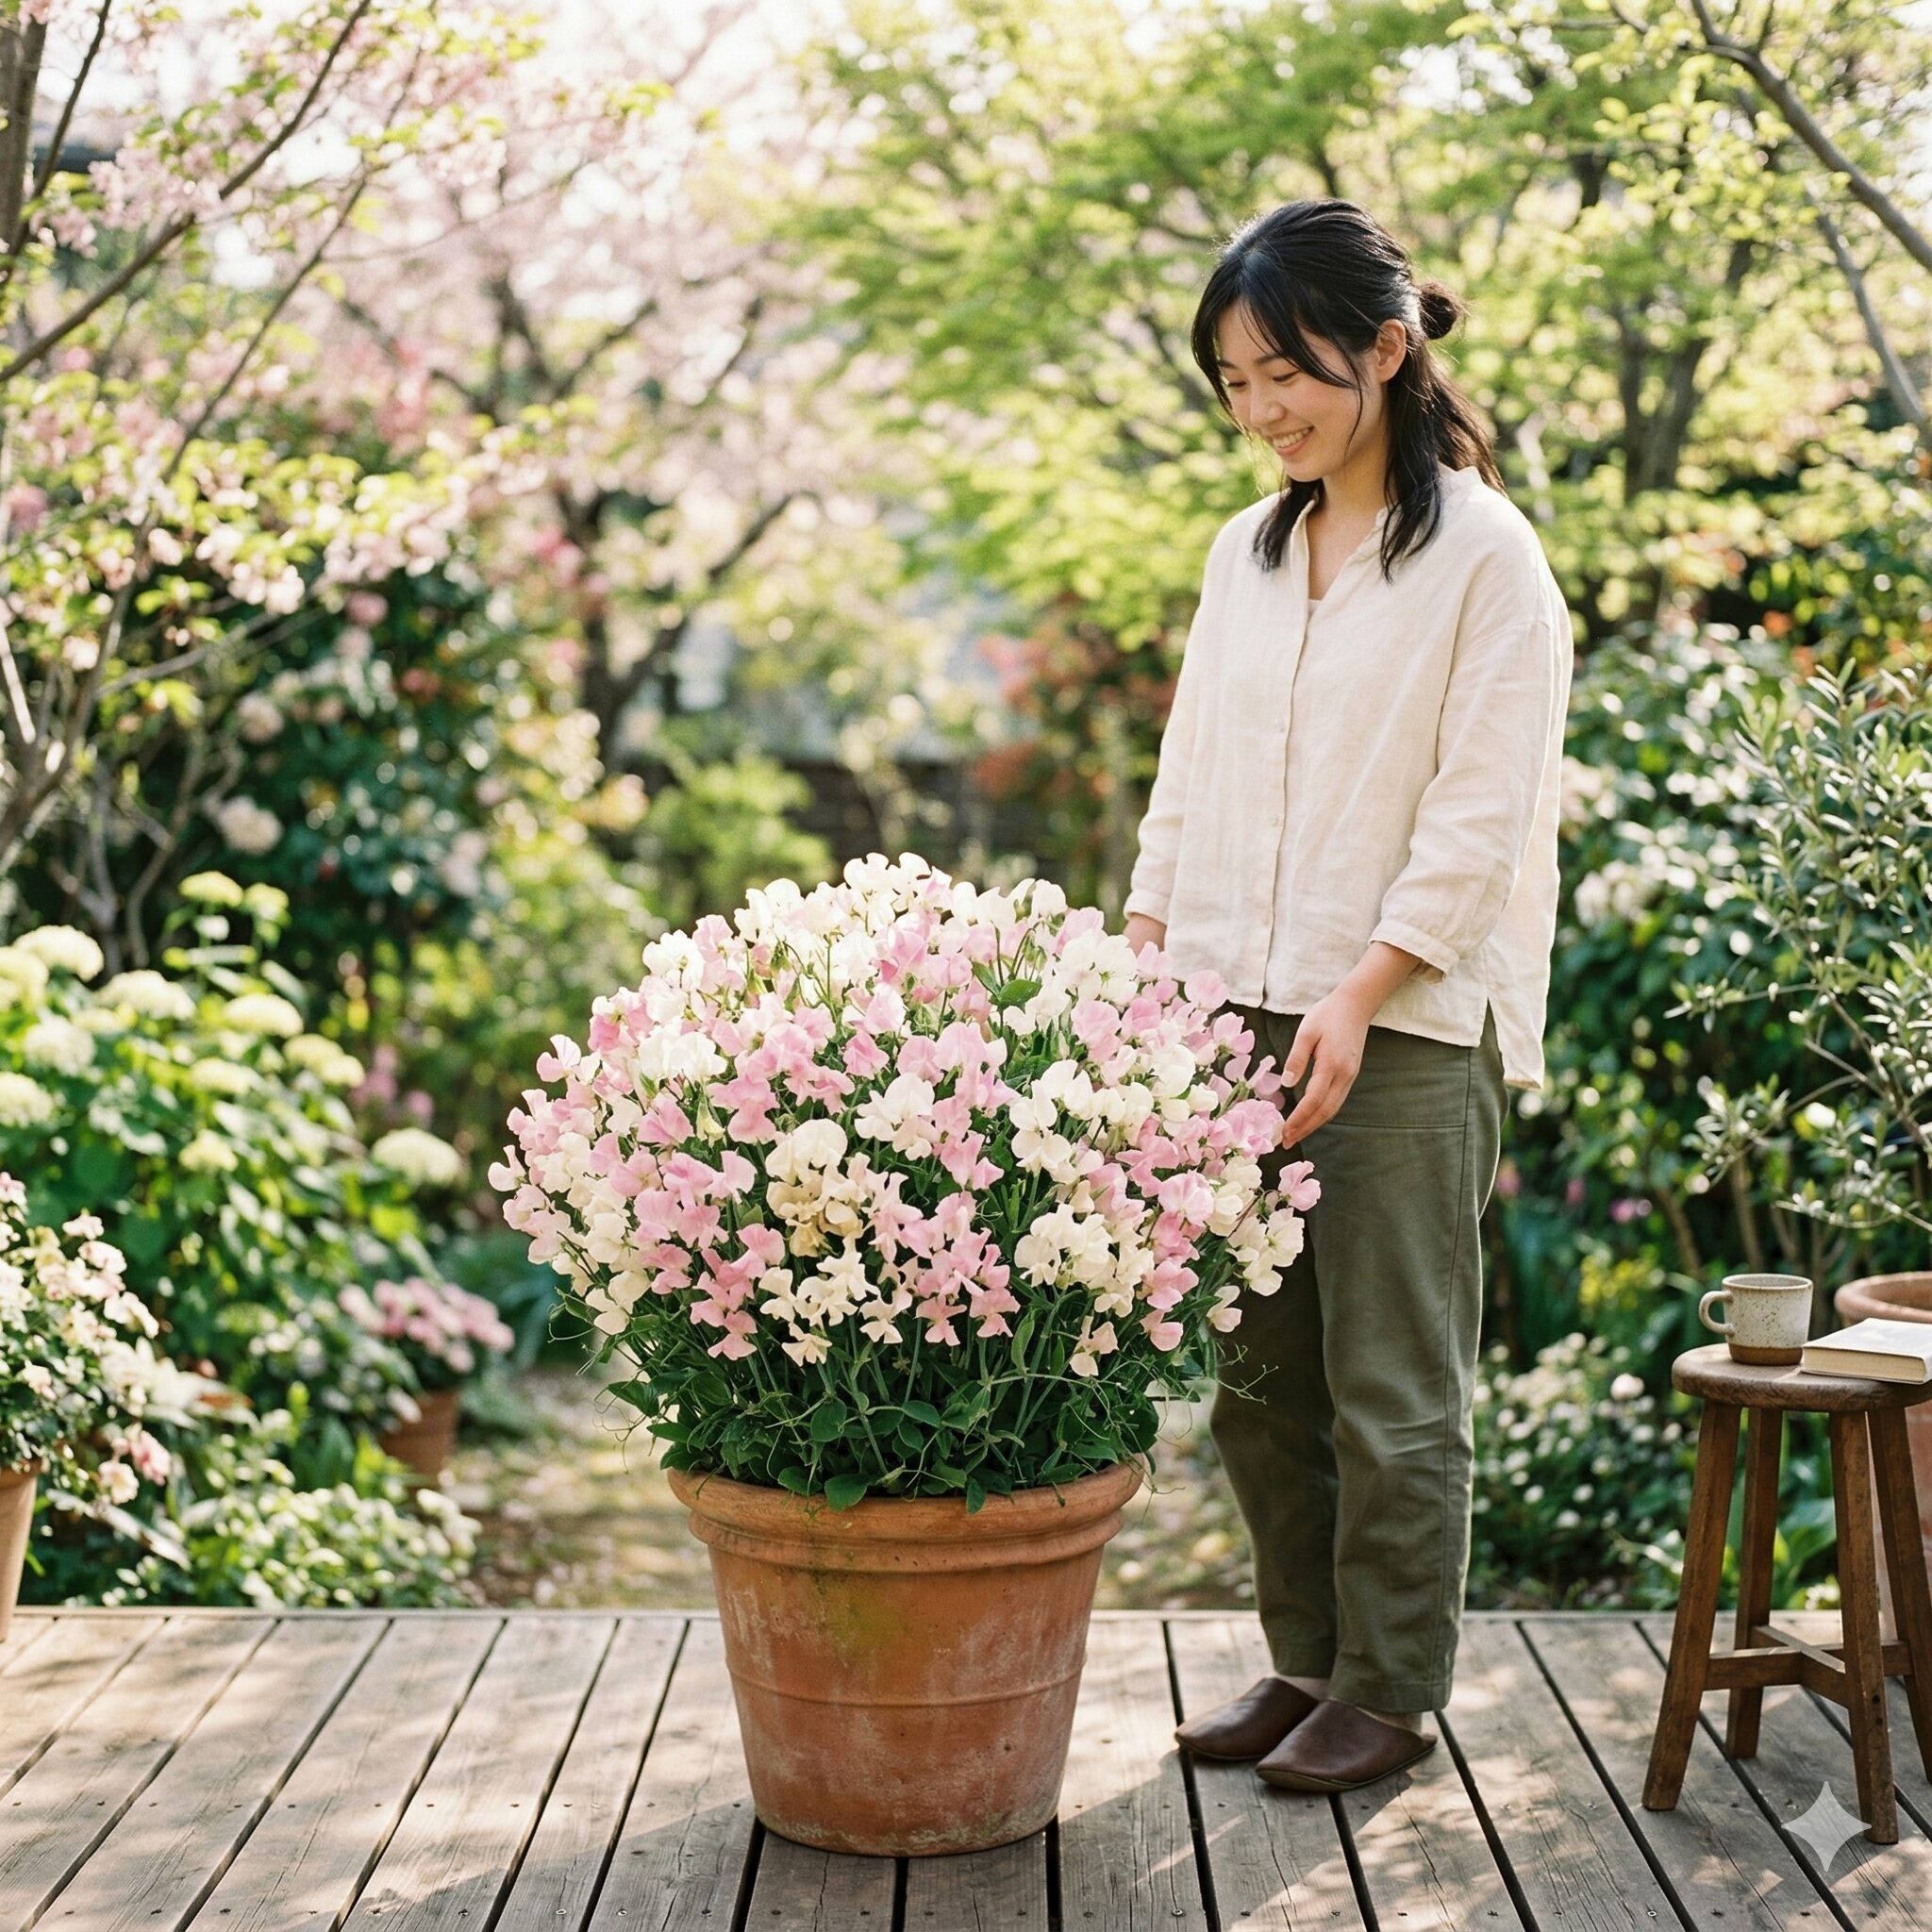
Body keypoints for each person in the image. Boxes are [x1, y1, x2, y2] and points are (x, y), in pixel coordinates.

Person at [1123, 198, 1574, 1794]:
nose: (1262, 411)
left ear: (1385, 349)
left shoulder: (1487, 560)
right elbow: (1190, 778)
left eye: (1284, 371)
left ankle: (1389, 1685)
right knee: (1261, 1385)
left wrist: (1365, 986)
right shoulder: (1244, 557)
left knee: (1392, 1386)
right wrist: (1146, 959)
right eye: (1234, 382)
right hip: (1234, 1014)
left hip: (1404, 1024)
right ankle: (1305, 1661)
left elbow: (1482, 809)